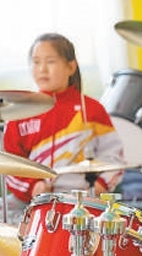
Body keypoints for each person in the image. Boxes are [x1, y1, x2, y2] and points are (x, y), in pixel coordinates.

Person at [3, 32, 124, 224]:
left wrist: (100, 185)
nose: (42, 69)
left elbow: (114, 156)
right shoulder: (19, 111)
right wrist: (33, 186)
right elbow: (9, 163)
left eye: (50, 61)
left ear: (71, 67)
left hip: (79, 204)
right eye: (36, 62)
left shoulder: (92, 109)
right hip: (29, 202)